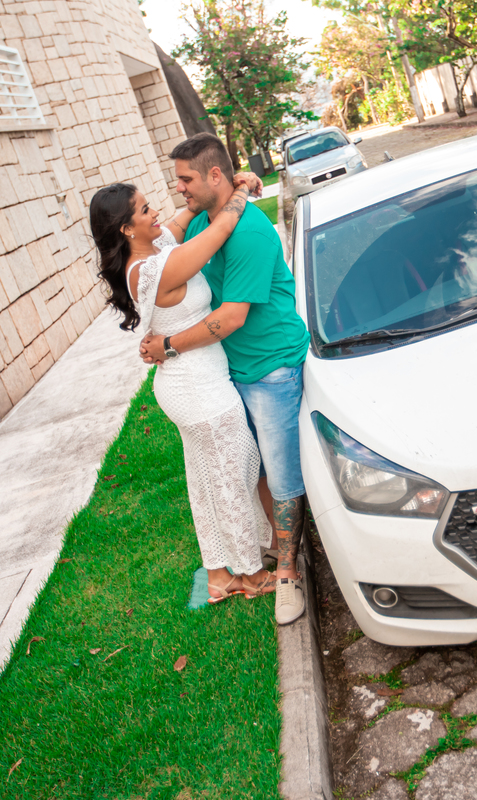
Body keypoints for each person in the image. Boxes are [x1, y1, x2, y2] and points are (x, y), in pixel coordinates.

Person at [139, 133, 311, 626]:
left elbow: (232, 316)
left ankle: (288, 574)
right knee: (252, 468)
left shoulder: (252, 233)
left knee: (281, 477)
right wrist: (242, 188)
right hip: (229, 371)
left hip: (271, 368)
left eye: (186, 179)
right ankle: (273, 552)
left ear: (215, 175)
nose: (180, 190)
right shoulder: (198, 220)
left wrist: (168, 346)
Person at [90, 173, 278, 604]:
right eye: (144, 209)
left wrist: (223, 184)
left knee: (207, 478)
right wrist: (243, 190)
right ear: (125, 228)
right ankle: (250, 575)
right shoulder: (158, 267)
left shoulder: (156, 250)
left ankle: (217, 574)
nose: (156, 212)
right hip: (197, 387)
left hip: (192, 383)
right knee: (235, 472)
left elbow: (186, 215)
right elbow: (222, 227)